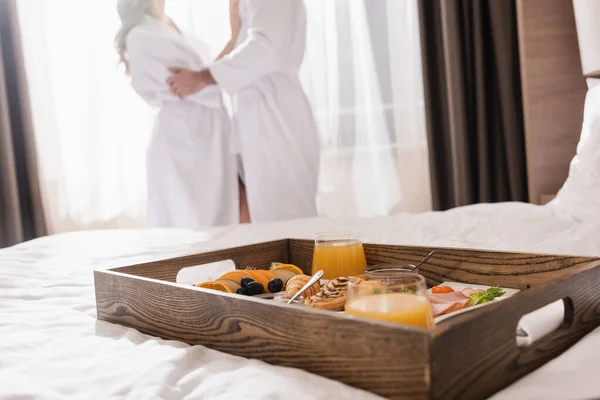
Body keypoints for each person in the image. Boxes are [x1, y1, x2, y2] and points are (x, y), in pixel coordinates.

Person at [167, 0, 321, 224]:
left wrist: (200, 78)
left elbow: (267, 49)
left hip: (275, 117)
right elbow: (242, 45)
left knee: (285, 216)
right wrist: (199, 76)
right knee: (266, 216)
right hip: (258, 117)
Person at [114, 0, 246, 229]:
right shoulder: (142, 36)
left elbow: (203, 78)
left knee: (226, 223)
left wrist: (229, 50)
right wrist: (234, 38)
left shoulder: (169, 26)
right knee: (194, 229)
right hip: (184, 145)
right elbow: (200, 85)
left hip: (209, 137)